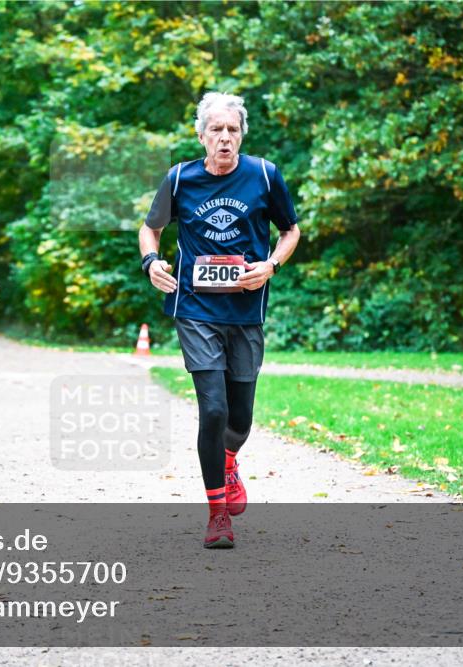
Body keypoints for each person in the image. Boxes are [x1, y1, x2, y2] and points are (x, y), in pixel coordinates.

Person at [138, 92, 301, 549]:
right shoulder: (180, 179)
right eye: (216, 129)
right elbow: (150, 228)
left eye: (232, 130)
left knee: (240, 420)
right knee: (213, 410)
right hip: (195, 308)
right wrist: (151, 262)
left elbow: (290, 230)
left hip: (246, 311)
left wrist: (270, 266)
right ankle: (217, 516)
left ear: (241, 135)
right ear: (202, 136)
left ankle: (230, 460)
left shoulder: (264, 175)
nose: (225, 138)